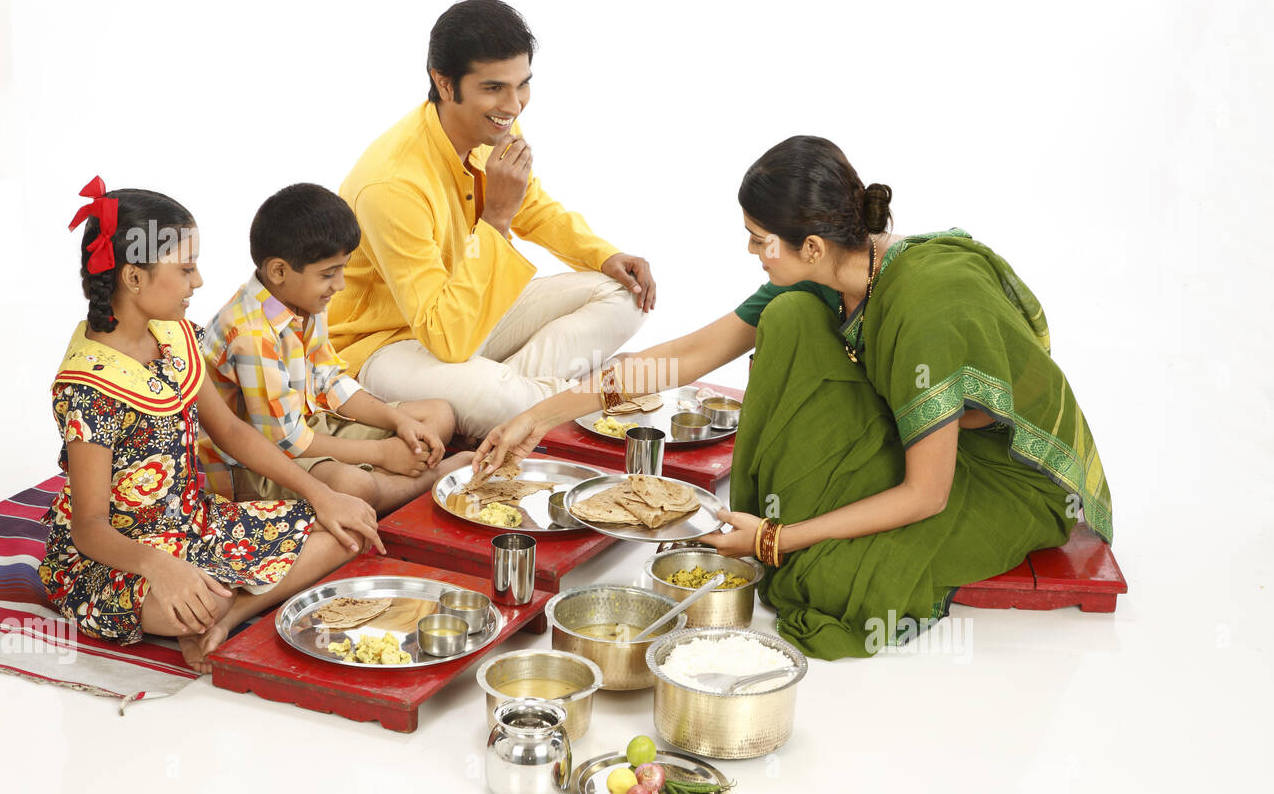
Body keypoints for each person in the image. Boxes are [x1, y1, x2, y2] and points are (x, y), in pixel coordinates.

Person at [476, 136, 1113, 660]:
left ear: (810, 245)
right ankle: (775, 524)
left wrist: (777, 542)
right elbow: (685, 357)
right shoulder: (822, 278)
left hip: (998, 473)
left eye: (759, 239)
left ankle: (774, 532)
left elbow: (928, 494)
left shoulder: (924, 307)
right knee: (788, 324)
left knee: (824, 583)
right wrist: (536, 417)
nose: (751, 252)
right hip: (913, 432)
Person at [41, 178, 385, 673]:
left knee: (345, 530)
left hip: (190, 522)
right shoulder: (87, 388)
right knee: (184, 607)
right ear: (134, 278)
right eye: (185, 269)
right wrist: (161, 568)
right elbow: (90, 527)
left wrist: (319, 494)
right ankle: (213, 611)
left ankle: (232, 613)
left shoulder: (177, 337)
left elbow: (232, 432)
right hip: (115, 554)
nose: (198, 282)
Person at [327, 0, 656, 440]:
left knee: (625, 292)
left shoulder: (494, 126)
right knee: (506, 403)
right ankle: (523, 396)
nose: (514, 105)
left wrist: (604, 255)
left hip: (472, 310)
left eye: (523, 85)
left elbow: (532, 205)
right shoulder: (392, 185)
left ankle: (519, 394)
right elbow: (444, 336)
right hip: (390, 344)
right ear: (444, 84)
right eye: (494, 87)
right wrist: (496, 218)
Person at [198, 183, 471, 515]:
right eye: (329, 274)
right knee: (353, 486)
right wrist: (383, 453)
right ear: (279, 270)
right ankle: (426, 479)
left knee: (436, 415)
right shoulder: (251, 335)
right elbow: (288, 442)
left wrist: (397, 421)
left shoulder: (304, 302)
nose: (340, 284)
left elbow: (331, 382)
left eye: (342, 269)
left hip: (313, 425)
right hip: (257, 467)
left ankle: (387, 484)